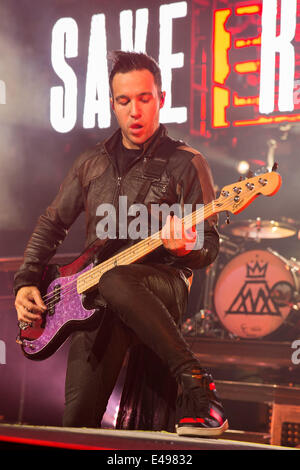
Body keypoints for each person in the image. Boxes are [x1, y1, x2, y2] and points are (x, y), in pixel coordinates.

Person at [14, 51, 228, 437]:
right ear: (112, 103)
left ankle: (195, 380)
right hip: (93, 295)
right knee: (75, 427)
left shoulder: (187, 163)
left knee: (118, 280)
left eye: (144, 98)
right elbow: (51, 223)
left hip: (160, 287)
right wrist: (26, 280)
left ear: (161, 98)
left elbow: (209, 245)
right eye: (124, 100)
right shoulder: (90, 163)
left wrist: (184, 248)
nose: (134, 111)